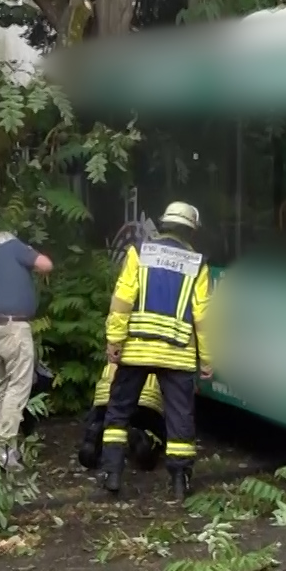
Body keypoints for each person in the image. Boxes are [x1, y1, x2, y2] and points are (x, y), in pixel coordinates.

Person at [98, 202, 212, 500]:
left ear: (163, 224)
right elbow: (203, 317)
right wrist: (209, 359)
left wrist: (114, 341)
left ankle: (111, 473)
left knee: (119, 411)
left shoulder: (139, 253)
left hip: (136, 349)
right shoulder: (197, 264)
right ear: (191, 231)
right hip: (178, 355)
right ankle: (179, 482)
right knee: (180, 419)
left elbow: (122, 299)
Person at [0, 231, 53, 470]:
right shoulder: (14, 247)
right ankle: (5, 449)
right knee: (18, 388)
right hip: (15, 328)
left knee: (2, 388)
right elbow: (46, 265)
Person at [77, 358, 166, 473]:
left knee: (106, 420)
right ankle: (143, 438)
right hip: (147, 396)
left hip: (107, 392)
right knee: (156, 434)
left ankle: (95, 433)